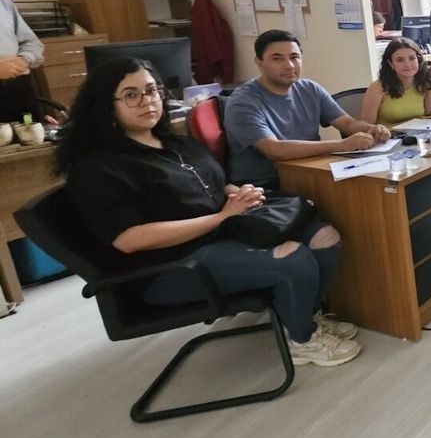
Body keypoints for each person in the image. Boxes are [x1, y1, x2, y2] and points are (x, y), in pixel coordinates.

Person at [58, 57, 362, 366]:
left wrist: (238, 193)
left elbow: (216, 183)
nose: (147, 101)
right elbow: (129, 239)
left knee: (325, 237)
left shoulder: (176, 143)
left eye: (151, 90)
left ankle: (303, 316)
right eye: (131, 95)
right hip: (172, 266)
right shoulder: (98, 168)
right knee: (294, 257)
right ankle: (303, 340)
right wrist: (220, 218)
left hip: (221, 233)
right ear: (105, 105)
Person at [224, 30, 392, 189]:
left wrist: (371, 129)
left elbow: (347, 123)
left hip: (312, 171)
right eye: (277, 59)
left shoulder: (310, 88)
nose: (289, 65)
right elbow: (274, 150)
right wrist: (342, 144)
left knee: (382, 184)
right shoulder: (243, 102)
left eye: (294, 57)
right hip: (267, 185)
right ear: (259, 63)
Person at [360, 37, 431, 125]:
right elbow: (367, 127)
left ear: (419, 60)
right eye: (400, 60)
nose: (407, 64)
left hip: (418, 133)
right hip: (387, 133)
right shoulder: (377, 88)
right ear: (391, 63)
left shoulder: (427, 84)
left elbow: (429, 120)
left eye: (412, 58)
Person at [0, 0, 44, 122]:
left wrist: (24, 59)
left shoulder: (2, 0)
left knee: (31, 132)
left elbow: (31, 41)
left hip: (18, 88)